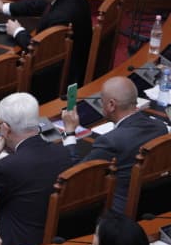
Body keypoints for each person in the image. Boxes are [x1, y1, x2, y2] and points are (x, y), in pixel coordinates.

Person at [0, 92, 72, 245]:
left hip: (14, 244)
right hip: (54, 235)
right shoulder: (63, 153)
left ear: (6, 128)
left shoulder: (8, 166)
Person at [61, 76, 168, 214]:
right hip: (154, 203)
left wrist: (69, 132)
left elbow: (75, 176)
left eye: (102, 101)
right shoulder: (160, 127)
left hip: (116, 211)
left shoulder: (110, 141)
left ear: (111, 105)